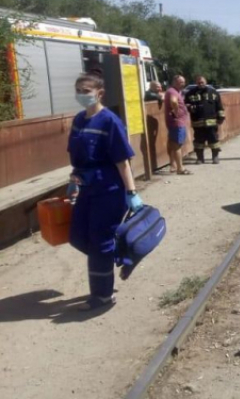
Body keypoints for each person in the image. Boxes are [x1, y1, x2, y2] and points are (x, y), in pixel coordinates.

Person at [67, 72, 143, 310]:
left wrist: (131, 192)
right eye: (78, 90)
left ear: (99, 93)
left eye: (86, 91)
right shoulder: (79, 120)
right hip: (86, 187)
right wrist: (73, 180)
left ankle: (102, 296)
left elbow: (122, 161)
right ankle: (122, 253)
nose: (81, 95)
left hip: (109, 188)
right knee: (78, 237)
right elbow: (76, 155)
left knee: (99, 243)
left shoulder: (110, 121)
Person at [185, 76, 225, 164]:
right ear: (196, 83)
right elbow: (185, 105)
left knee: (213, 140)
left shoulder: (213, 92)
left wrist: (221, 117)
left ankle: (215, 157)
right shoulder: (190, 93)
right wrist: (190, 107)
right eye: (199, 82)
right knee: (198, 141)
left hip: (211, 122)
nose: (201, 84)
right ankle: (200, 158)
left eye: (202, 82)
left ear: (206, 82)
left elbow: (219, 106)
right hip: (197, 122)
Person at [165, 75, 191, 175]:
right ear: (175, 82)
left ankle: (173, 165)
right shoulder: (172, 91)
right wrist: (176, 111)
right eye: (180, 82)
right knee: (177, 145)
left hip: (176, 122)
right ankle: (180, 168)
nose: (183, 84)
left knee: (172, 143)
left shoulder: (176, 91)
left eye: (183, 82)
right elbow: (173, 101)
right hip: (177, 123)